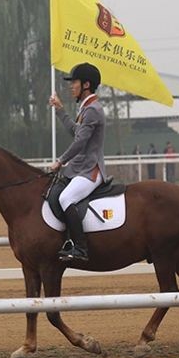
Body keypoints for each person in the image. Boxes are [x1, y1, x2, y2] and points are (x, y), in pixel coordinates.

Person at [48, 62, 107, 263]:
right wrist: (60, 110)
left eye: (74, 82)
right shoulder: (86, 108)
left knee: (66, 199)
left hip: (90, 170)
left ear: (86, 85)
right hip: (80, 169)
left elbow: (80, 142)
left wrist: (60, 161)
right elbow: (77, 132)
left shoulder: (92, 110)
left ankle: (81, 247)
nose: (71, 86)